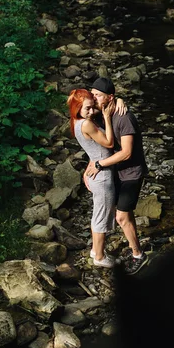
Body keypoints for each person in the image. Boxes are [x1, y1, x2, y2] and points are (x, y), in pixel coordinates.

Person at [85, 77, 149, 275]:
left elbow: (127, 152)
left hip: (131, 173)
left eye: (98, 95)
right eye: (93, 94)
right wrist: (89, 167)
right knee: (122, 214)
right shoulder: (98, 113)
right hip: (114, 172)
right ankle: (107, 248)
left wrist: (98, 164)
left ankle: (138, 254)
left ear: (109, 97)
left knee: (121, 216)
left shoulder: (124, 117)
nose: (94, 99)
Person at [68, 89, 117, 268]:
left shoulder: (76, 121)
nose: (91, 112)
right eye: (87, 108)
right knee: (101, 217)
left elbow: (92, 148)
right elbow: (109, 143)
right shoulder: (87, 124)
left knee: (98, 214)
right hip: (102, 175)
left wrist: (111, 103)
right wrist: (107, 118)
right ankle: (100, 256)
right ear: (78, 107)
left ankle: (95, 250)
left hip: (95, 168)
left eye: (91, 107)